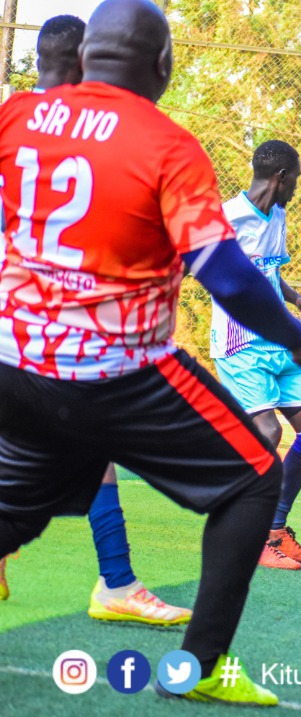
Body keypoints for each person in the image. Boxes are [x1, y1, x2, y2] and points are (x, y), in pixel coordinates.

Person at [0, 0, 301, 706]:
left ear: (87, 57)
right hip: (119, 375)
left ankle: (123, 588)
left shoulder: (17, 117)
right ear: (165, 66)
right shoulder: (166, 145)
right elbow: (229, 277)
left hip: (16, 367)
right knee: (253, 479)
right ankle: (200, 667)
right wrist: (297, 335)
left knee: (15, 514)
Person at [0, 13, 192, 627]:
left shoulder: (16, 120)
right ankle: (116, 582)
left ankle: (117, 580)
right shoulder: (100, 136)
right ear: (89, 63)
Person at [210, 140, 301, 571]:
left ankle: (275, 528)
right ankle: (249, 535)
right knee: (267, 434)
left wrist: (295, 299)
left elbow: (269, 271)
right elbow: (199, 268)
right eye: (295, 179)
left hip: (278, 342)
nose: (296, 187)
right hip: (240, 344)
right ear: (281, 177)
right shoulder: (226, 218)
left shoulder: (277, 214)